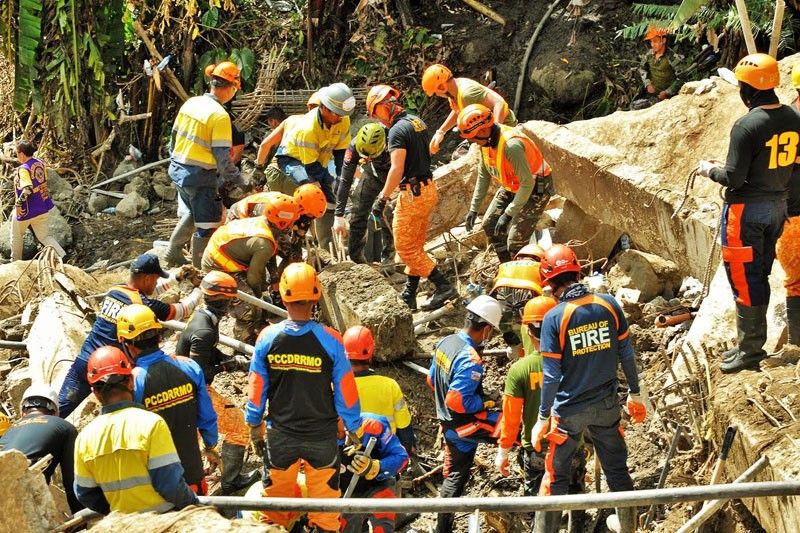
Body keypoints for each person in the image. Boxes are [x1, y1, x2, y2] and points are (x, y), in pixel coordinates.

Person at [531, 244, 645, 533]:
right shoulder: (609, 304)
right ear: (577, 271)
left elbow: (552, 374)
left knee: (555, 478)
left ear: (548, 281)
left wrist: (542, 417)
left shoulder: (554, 318)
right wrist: (635, 392)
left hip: (569, 411)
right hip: (607, 405)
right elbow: (627, 353)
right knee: (617, 471)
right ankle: (629, 527)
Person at [697, 53, 800, 372]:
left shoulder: (746, 126)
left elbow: (734, 178)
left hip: (746, 212)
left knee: (744, 277)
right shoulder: (792, 118)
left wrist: (708, 170)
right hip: (777, 208)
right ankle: (749, 345)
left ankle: (751, 350)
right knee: (760, 274)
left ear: (747, 89)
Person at [245, 263, 361, 533]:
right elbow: (346, 390)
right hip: (322, 438)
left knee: (274, 509)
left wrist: (254, 426)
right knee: (326, 513)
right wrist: (354, 428)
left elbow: (257, 386)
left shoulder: (267, 338)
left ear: (283, 296)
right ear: (315, 296)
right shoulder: (332, 340)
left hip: (281, 436)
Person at [58, 254, 202, 418]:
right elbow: (181, 310)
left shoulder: (115, 291)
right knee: (126, 416)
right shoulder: (141, 306)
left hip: (85, 360)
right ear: (147, 278)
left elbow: (147, 291)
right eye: (155, 279)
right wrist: (200, 290)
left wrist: (177, 277)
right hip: (112, 373)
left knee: (59, 409)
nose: (156, 283)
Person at [75, 346, 198, 514]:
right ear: (131, 381)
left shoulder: (84, 438)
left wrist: (116, 513)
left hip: (124, 526)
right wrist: (194, 506)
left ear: (95, 393)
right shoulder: (152, 424)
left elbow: (85, 493)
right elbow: (169, 484)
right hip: (164, 522)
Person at [366, 84, 457, 311]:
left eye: (376, 114)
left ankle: (444, 286)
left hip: (414, 194)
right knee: (415, 246)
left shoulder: (397, 131)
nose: (378, 120)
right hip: (427, 189)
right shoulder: (417, 121)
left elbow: (397, 169)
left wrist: (382, 198)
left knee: (405, 249)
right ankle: (409, 293)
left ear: (383, 107)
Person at [116, 305, 219, 496]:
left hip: (158, 485)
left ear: (126, 343)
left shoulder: (133, 382)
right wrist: (210, 446)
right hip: (193, 475)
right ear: (159, 335)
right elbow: (207, 416)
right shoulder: (188, 366)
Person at [175, 271, 259, 495]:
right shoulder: (204, 331)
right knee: (238, 426)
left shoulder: (204, 319)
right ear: (224, 301)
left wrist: (232, 360)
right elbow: (198, 372)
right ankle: (231, 481)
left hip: (184, 390)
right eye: (232, 300)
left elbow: (208, 354)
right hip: (194, 391)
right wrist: (227, 365)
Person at [427, 294, 503, 533]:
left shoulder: (447, 342)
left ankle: (442, 528)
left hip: (448, 423)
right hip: (463, 425)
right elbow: (457, 399)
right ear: (488, 329)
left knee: (456, 474)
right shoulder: (471, 359)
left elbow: (431, 380)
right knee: (512, 429)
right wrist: (483, 403)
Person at [164, 61, 243, 268]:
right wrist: (241, 182)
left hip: (179, 170)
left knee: (192, 212)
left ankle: (173, 251)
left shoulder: (191, 103)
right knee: (208, 225)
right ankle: (202, 268)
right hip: (199, 177)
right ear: (232, 88)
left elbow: (172, 138)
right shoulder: (219, 116)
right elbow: (223, 159)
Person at [458, 104, 553, 261]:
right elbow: (484, 175)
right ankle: (506, 265)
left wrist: (508, 214)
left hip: (536, 188)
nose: (473, 142)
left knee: (515, 241)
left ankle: (526, 272)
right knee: (490, 225)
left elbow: (527, 183)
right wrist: (473, 209)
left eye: (473, 138)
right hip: (514, 186)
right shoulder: (486, 143)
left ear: (482, 131)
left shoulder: (511, 146)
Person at [268, 83, 355, 251]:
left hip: (319, 161)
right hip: (293, 160)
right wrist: (320, 186)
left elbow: (341, 153)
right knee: (313, 193)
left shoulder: (342, 119)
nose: (340, 118)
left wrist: (341, 179)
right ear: (325, 109)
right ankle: (297, 235)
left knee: (332, 197)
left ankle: (326, 245)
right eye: (337, 115)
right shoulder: (307, 129)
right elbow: (311, 168)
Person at [201, 200, 299, 343]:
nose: (293, 225)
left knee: (260, 289)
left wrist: (271, 282)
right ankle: (244, 339)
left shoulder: (264, 223)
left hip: (229, 255)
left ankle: (259, 322)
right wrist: (259, 299)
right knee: (249, 307)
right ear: (283, 224)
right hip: (217, 266)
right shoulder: (264, 244)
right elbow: (253, 277)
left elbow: (269, 258)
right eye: (291, 222)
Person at [0, 384, 81, 512]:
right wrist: (82, 520)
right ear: (55, 412)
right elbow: (72, 481)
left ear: (22, 412)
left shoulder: (9, 431)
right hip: (22, 498)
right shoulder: (64, 427)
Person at [343, 325, 416, 453]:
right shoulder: (389, 385)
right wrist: (405, 451)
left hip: (350, 451)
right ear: (371, 353)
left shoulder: (337, 387)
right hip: (384, 449)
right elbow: (404, 427)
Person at [333, 123, 395, 265]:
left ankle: (389, 260)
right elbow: (345, 179)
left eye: (371, 156)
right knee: (358, 209)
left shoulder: (396, 138)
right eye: (365, 157)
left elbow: (405, 166)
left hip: (397, 172)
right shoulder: (354, 147)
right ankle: (358, 262)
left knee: (390, 212)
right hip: (373, 174)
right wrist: (338, 215)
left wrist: (389, 193)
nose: (367, 159)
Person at [422, 63, 517, 155]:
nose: (437, 95)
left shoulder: (467, 94)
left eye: (436, 92)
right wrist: (441, 131)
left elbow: (499, 103)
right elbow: (458, 110)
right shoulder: (455, 90)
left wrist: (496, 132)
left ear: (442, 87)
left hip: (504, 125)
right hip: (486, 129)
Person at [340, 413, 409, 533]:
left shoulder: (374, 425)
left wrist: (376, 467)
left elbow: (401, 457)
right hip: (345, 495)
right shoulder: (315, 432)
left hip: (378, 487)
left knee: (382, 528)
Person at [11, 139, 66, 261]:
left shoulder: (24, 169)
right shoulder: (40, 163)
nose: (17, 156)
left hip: (27, 209)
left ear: (21, 153)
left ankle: (15, 263)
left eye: (17, 153)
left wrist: (19, 205)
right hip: (42, 206)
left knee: (16, 236)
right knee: (44, 236)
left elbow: (27, 189)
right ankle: (62, 256)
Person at [777, 63, 800, 345]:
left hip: (791, 216)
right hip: (791, 216)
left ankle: (796, 347)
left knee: (796, 284)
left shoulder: (784, 121)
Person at [631, 27, 682, 110]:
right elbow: (642, 68)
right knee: (634, 106)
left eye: (655, 41)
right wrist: (648, 83)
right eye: (651, 41)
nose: (652, 45)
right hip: (652, 93)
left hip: (668, 96)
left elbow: (682, 78)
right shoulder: (649, 55)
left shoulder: (672, 57)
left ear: (663, 41)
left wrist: (668, 92)